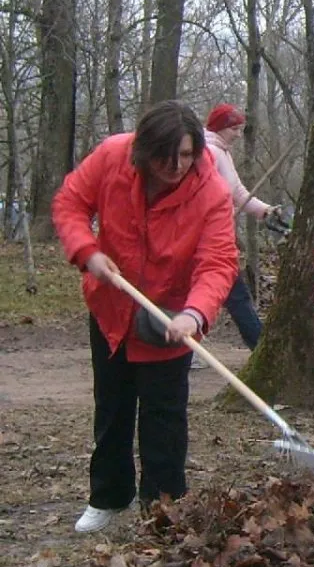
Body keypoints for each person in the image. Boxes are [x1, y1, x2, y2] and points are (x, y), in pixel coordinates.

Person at [52, 101, 240, 533]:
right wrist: (88, 251)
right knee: (112, 409)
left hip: (168, 319)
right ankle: (109, 497)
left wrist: (195, 313)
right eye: (164, 158)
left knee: (164, 419)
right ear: (142, 151)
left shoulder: (210, 191)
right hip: (111, 306)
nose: (176, 167)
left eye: (187, 156)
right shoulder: (112, 157)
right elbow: (70, 203)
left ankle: (163, 507)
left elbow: (218, 261)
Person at [197, 103, 282, 365]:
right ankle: (262, 350)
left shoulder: (222, 152)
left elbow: (238, 193)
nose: (237, 134)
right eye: (234, 128)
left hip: (217, 236)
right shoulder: (208, 153)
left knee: (231, 295)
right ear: (221, 128)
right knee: (234, 295)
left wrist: (265, 211)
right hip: (205, 240)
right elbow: (204, 197)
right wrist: (216, 217)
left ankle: (260, 348)